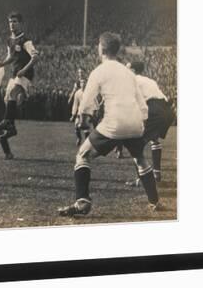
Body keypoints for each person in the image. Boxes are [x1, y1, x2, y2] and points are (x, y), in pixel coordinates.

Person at [58, 32, 161, 217]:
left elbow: (87, 100)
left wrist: (83, 119)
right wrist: (141, 123)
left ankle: (82, 201)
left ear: (101, 48)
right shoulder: (128, 73)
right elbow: (142, 105)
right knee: (140, 159)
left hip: (114, 123)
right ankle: (155, 201)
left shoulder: (99, 71)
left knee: (82, 155)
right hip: (136, 122)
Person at [125, 61, 175, 186]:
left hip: (154, 109)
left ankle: (142, 180)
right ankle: (156, 173)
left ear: (133, 70)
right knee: (154, 139)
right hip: (167, 110)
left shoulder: (132, 80)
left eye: (127, 68)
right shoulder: (150, 80)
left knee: (135, 145)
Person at [0, 12, 39, 142]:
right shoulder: (10, 40)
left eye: (14, 21)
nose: (12, 24)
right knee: (7, 97)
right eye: (10, 22)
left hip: (25, 73)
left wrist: (24, 69)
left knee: (14, 93)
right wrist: (2, 63)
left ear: (20, 23)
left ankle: (7, 122)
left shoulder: (25, 40)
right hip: (15, 73)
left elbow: (35, 57)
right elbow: (11, 57)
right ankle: (11, 128)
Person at [70, 79, 90, 146]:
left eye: (84, 82)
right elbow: (75, 104)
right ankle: (79, 138)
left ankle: (86, 142)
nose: (83, 84)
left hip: (87, 112)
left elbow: (92, 102)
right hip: (80, 112)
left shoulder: (89, 92)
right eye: (82, 82)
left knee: (86, 128)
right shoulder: (77, 93)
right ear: (80, 84)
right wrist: (73, 114)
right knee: (76, 125)